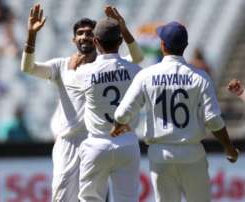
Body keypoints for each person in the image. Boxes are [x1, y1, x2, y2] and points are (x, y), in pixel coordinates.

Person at [20, 4, 143, 202]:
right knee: (61, 198)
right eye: (79, 33)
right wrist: (31, 35)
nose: (84, 36)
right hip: (69, 142)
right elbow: (28, 68)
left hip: (97, 138)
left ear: (97, 40)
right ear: (73, 39)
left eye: (89, 33)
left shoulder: (107, 66)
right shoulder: (62, 65)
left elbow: (137, 58)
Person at [112, 21, 239, 202]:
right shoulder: (200, 76)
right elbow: (213, 120)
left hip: (160, 154)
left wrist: (118, 126)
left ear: (162, 45)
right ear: (185, 46)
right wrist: (228, 147)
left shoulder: (146, 75)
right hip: (192, 153)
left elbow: (122, 115)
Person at [75, 6, 142, 202]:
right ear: (120, 41)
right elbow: (138, 56)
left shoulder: (83, 72)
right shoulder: (134, 70)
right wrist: (123, 25)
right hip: (127, 142)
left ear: (95, 42)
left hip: (97, 143)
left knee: (90, 199)